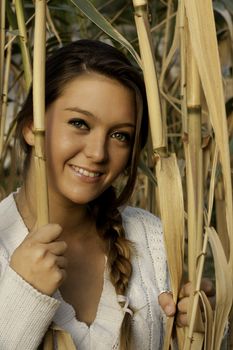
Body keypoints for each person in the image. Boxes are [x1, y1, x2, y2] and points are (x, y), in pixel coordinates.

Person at [0, 40, 213, 350]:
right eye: (79, 123)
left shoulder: (151, 238)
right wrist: (23, 295)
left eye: (119, 135)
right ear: (33, 126)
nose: (98, 153)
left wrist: (199, 330)